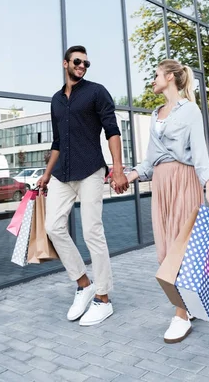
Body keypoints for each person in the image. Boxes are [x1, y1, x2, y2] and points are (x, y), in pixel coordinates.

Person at [126, 59, 209, 344]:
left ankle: (181, 314)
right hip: (161, 184)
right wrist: (129, 176)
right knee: (165, 252)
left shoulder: (190, 110)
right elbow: (149, 160)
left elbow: (201, 152)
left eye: (156, 75)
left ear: (170, 77)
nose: (153, 80)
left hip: (184, 181)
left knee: (182, 250)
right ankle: (187, 305)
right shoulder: (156, 113)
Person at [38, 46, 129, 326]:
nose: (82, 66)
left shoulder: (96, 92)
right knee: (53, 227)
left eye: (86, 63)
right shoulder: (55, 100)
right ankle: (83, 283)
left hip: (91, 170)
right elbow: (56, 143)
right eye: (77, 61)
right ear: (65, 63)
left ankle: (103, 298)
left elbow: (113, 131)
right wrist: (46, 173)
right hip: (62, 175)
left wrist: (118, 169)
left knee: (92, 231)